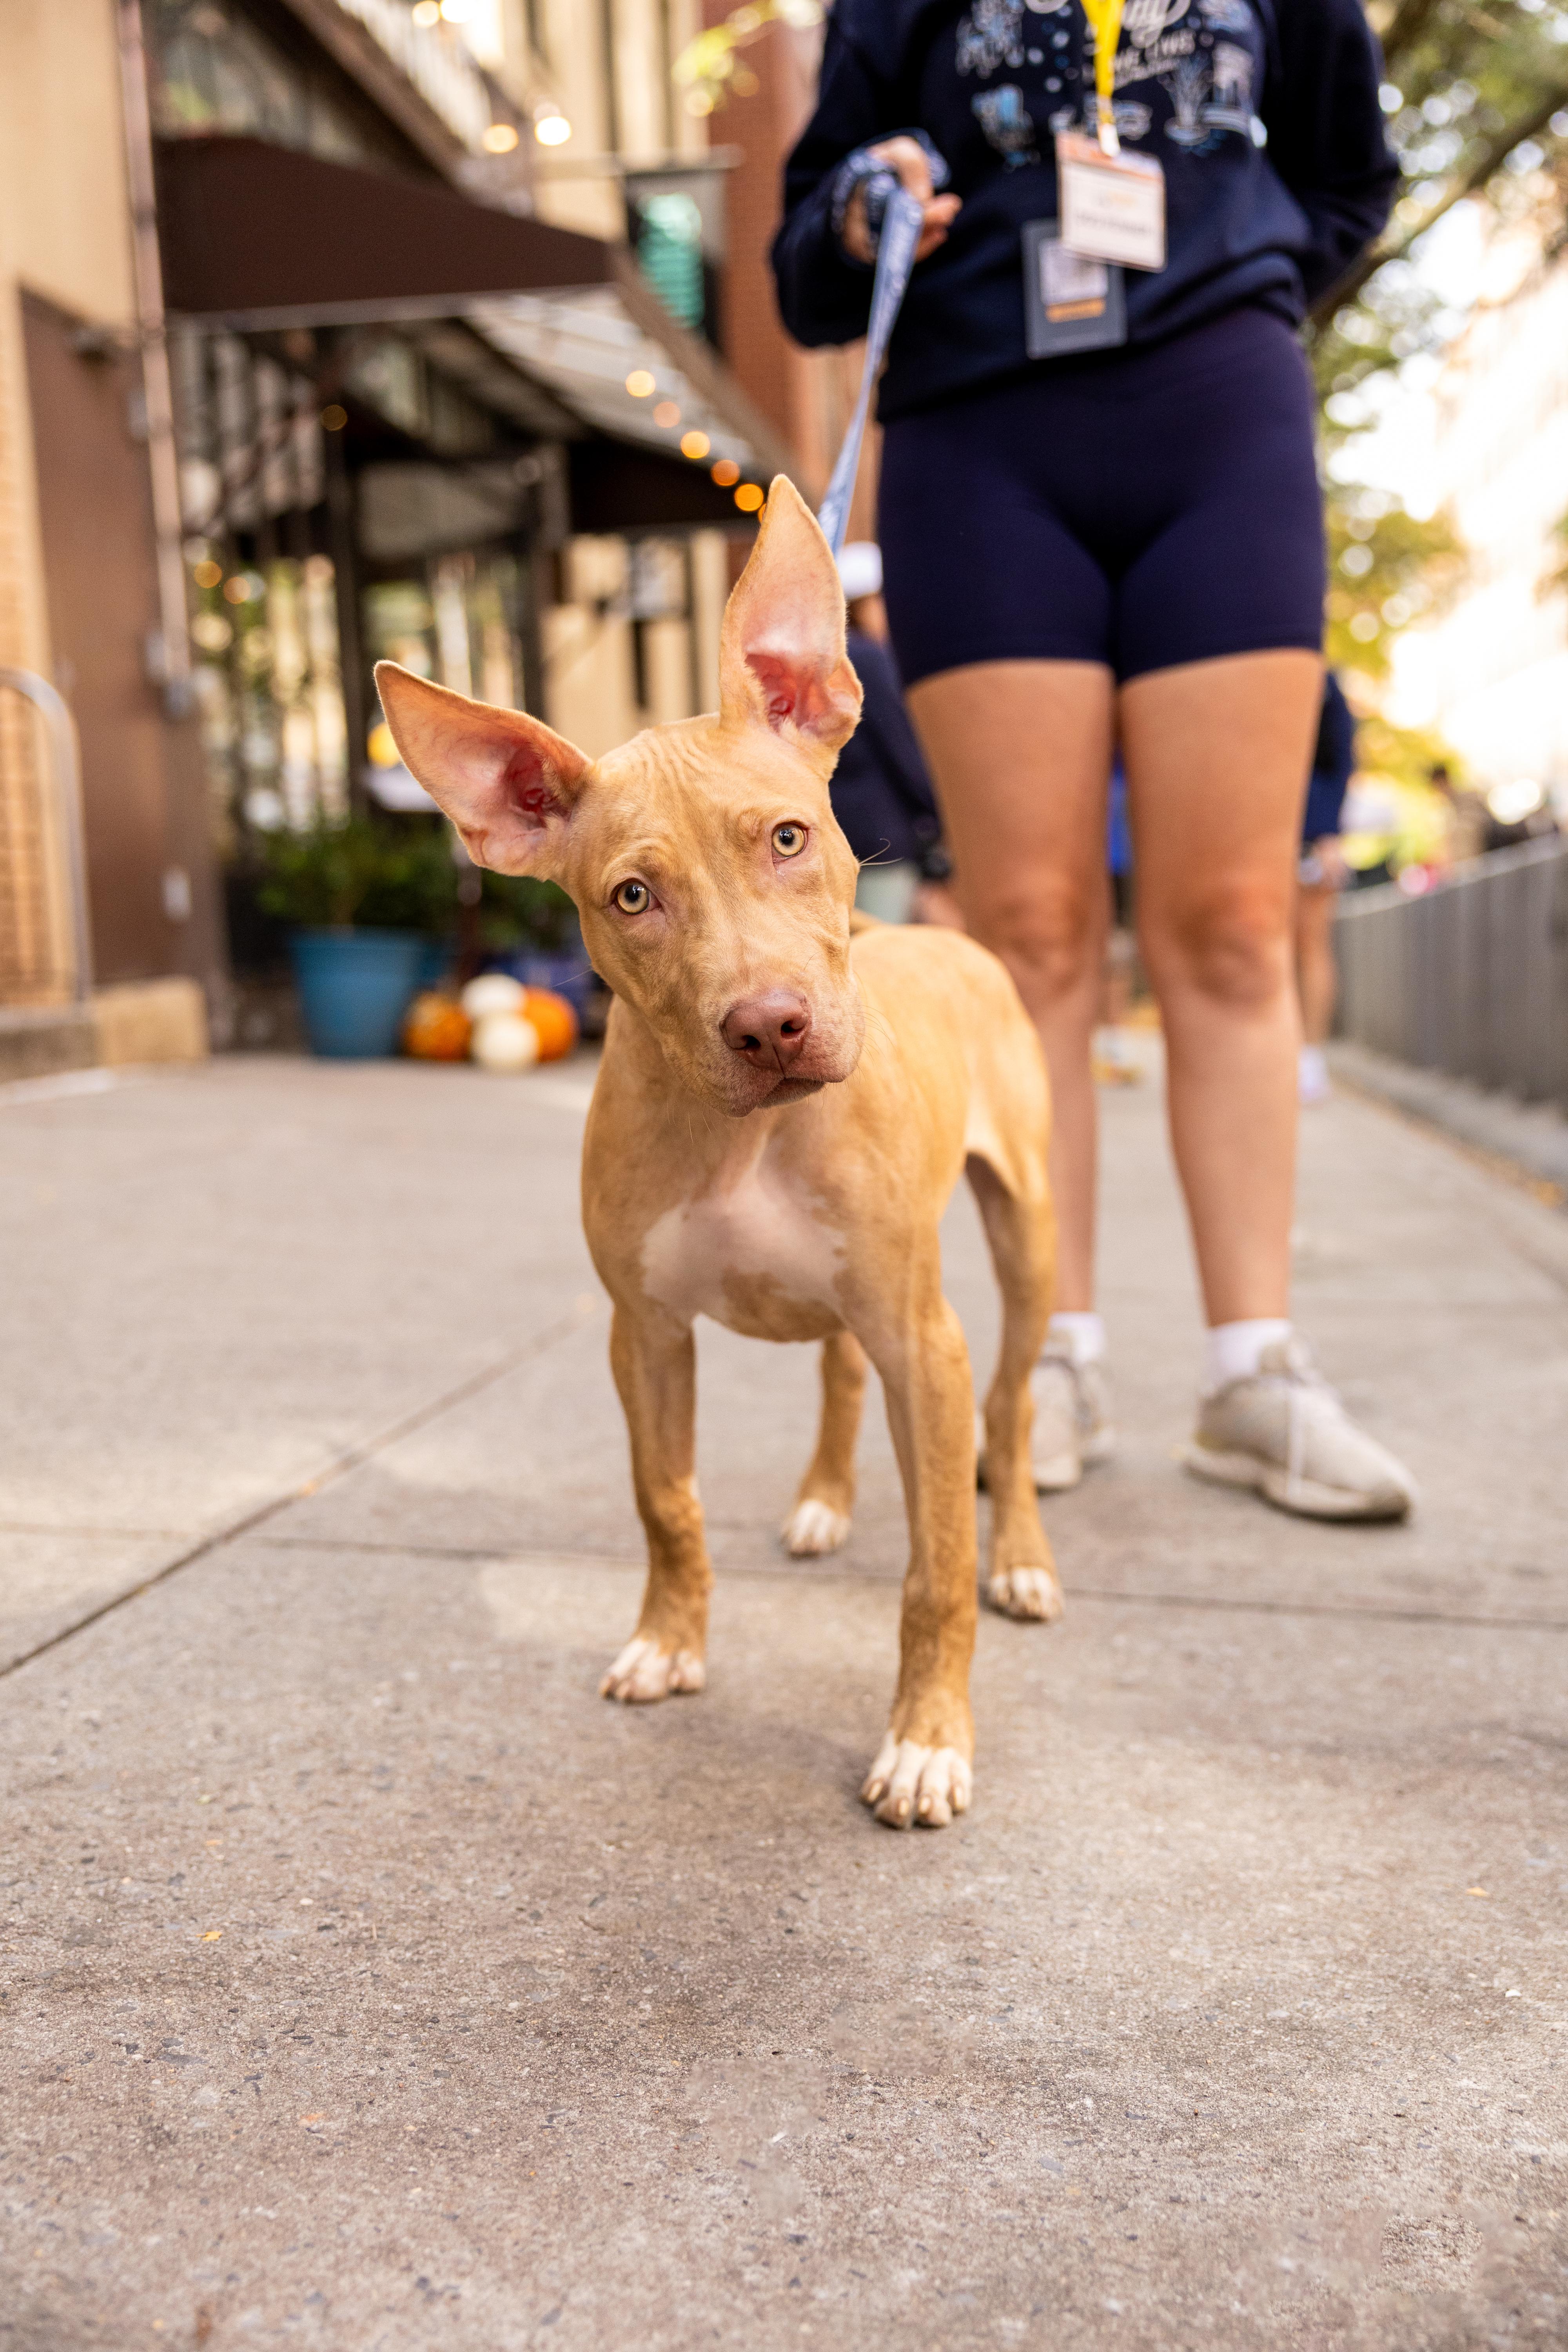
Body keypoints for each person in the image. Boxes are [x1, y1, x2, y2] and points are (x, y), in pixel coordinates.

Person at [774, 0, 1416, 1520]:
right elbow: (801, 261)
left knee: (1235, 923)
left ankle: (1251, 1372)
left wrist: (1226, 272)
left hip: (1221, 420)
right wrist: (871, 203)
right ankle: (1048, 1353)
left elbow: (1346, 183)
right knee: (1034, 934)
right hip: (979, 439)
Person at [831, 541, 956, 925]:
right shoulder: (869, 658)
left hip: (836, 832)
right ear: (863, 603)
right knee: (879, 949)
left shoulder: (825, 657)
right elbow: (903, 750)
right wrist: (938, 812)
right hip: (881, 837)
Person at [1295, 671, 1354, 1106]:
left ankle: (1309, 1057)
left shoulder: (1325, 683)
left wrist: (1328, 832)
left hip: (1311, 833)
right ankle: (1278, 1053)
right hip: (1260, 826)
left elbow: (1340, 759)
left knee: (1312, 945)